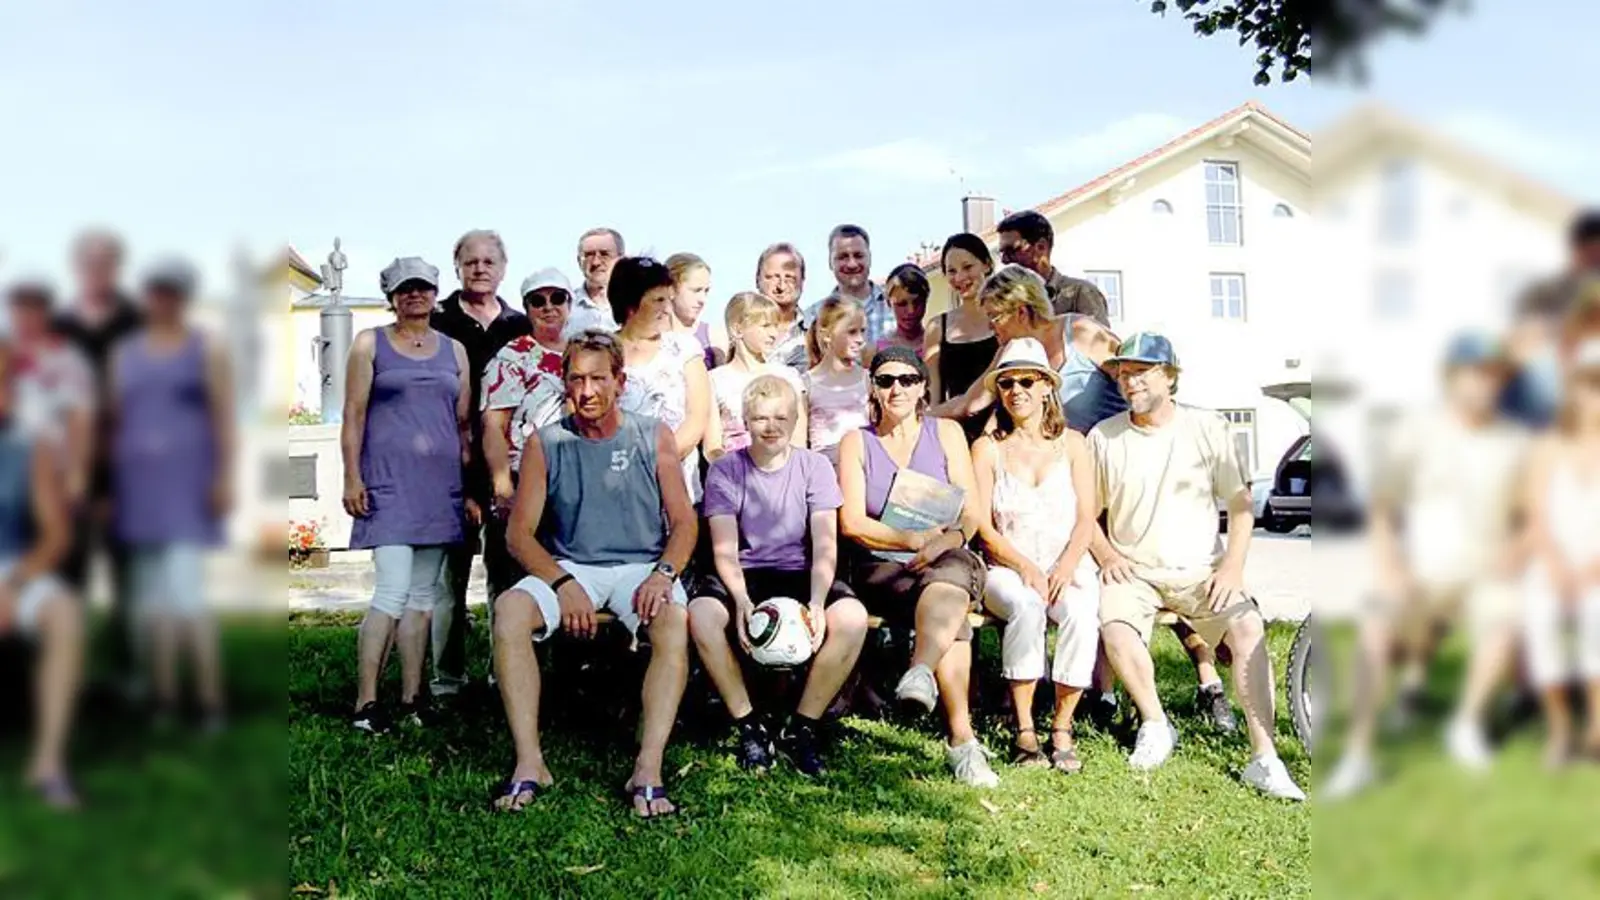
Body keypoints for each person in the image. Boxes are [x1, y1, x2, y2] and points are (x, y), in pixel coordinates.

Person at [1089, 332, 1304, 800]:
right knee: (1116, 627)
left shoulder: (1208, 428)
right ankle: (1154, 723)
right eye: (1123, 374)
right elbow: (1087, 516)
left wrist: (1231, 568)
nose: (1130, 383)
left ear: (1169, 376)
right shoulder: (1103, 437)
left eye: (1141, 372)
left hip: (1202, 571)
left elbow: (1242, 503)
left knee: (1248, 628)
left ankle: (1265, 758)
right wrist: (1107, 556)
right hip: (1136, 573)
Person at [491, 330, 697, 818]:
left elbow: (685, 521)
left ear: (620, 381)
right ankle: (529, 761)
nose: (587, 391)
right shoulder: (548, 442)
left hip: (640, 566)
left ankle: (648, 767)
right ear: (563, 382)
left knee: (671, 621)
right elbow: (519, 535)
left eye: (599, 378)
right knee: (508, 612)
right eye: (577, 379)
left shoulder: (652, 434)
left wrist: (664, 574)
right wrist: (564, 584)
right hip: (572, 565)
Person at [1324, 333, 1532, 797]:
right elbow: (1382, 505)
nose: (1485, 384)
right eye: (1475, 374)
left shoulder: (1514, 440)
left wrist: (1513, 555)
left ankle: (1466, 725)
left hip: (1484, 569)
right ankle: (1358, 755)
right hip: (1420, 568)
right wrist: (1390, 567)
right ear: (1453, 378)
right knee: (1377, 628)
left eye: (1493, 375)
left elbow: (1528, 513)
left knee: (1507, 617)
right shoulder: (1418, 431)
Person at [690, 375, 870, 775]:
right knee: (702, 615)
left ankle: (802, 727)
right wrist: (740, 602)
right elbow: (724, 549)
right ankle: (749, 725)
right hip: (745, 571)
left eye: (780, 417)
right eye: (760, 418)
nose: (770, 427)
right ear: (745, 420)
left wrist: (818, 604)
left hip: (801, 570)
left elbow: (825, 544)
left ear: (796, 418)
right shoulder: (725, 470)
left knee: (853, 619)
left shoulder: (815, 467)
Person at [836, 346, 999, 787]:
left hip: (946, 554)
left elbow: (970, 510)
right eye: (886, 380)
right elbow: (851, 521)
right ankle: (962, 741)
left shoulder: (946, 433)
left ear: (923, 386)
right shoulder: (857, 442)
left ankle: (921, 672)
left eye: (908, 380)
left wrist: (947, 539)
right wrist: (909, 541)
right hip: (884, 561)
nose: (897, 389)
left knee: (949, 583)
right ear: (873, 387)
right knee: (956, 619)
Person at [343, 257, 470, 733]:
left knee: (423, 597)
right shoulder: (368, 344)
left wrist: (469, 489)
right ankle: (366, 703)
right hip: (388, 485)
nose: (414, 295)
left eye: (422, 288)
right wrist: (352, 477)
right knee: (392, 591)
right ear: (390, 296)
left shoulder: (454, 351)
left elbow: (462, 426)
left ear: (436, 293)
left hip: (440, 490)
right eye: (404, 289)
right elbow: (353, 415)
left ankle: (414, 698)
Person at [111, 259, 236, 732]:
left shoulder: (206, 348)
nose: (163, 301)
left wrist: (224, 478)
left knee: (187, 597)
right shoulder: (126, 353)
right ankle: (163, 699)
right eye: (155, 293)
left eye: (172, 293)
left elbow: (224, 417)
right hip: (138, 491)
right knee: (150, 602)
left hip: (187, 489)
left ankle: (209, 701)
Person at [970, 338, 1099, 773]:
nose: (1016, 390)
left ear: (1047, 386)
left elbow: (1087, 517)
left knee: (1081, 611)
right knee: (1026, 606)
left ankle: (1062, 726)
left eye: (1027, 380)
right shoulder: (987, 448)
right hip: (1008, 564)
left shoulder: (1074, 444)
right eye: (1006, 383)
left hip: (1065, 561)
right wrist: (1025, 566)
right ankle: (1024, 729)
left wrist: (1064, 567)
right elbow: (983, 527)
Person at [429, 230, 529, 698]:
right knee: (449, 581)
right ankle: (447, 679)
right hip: (449, 465)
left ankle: (499, 671)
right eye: (471, 261)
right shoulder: (437, 320)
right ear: (457, 267)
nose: (480, 269)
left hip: (504, 471)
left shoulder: (519, 324)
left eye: (489, 261)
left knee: (504, 576)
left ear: (503, 268)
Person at [54, 229, 142, 690]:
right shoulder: (60, 324)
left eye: (105, 261)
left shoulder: (134, 322)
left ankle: (128, 669)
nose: (97, 269)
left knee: (127, 576)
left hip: (123, 473)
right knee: (68, 574)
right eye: (90, 261)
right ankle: (67, 671)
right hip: (67, 472)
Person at [0, 339, 83, 809]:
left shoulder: (31, 449)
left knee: (65, 612)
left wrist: (12, 585)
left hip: (13, 568)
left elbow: (55, 536)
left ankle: (47, 765)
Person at [1519, 337, 1600, 767]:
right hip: (1552, 562)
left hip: (1596, 567)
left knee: (1596, 616)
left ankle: (1596, 730)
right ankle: (1560, 728)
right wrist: (1554, 564)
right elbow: (1535, 514)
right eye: (1589, 388)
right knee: (1541, 614)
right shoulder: (1549, 447)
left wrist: (1590, 570)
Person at [482, 268, 573, 600]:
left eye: (557, 298)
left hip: (576, 480)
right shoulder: (512, 357)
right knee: (521, 581)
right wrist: (502, 483)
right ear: (527, 307)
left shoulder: (584, 350)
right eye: (538, 300)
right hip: (525, 478)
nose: (549, 307)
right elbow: (494, 424)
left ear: (570, 303)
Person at [612, 257, 712, 507]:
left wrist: (657, 463)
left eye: (669, 298)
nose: (667, 308)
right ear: (630, 303)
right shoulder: (602, 350)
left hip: (675, 490)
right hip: (614, 490)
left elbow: (697, 417)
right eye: (658, 300)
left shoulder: (685, 348)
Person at [3, 280, 94, 506]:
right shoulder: (3, 353)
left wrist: (76, 475)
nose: (27, 314)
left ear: (47, 311)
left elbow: (80, 418)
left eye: (35, 306)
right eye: (20, 306)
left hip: (52, 469)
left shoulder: (68, 358)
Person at [705, 292, 806, 460]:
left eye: (775, 326)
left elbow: (798, 440)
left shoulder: (788, 376)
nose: (774, 334)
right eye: (766, 326)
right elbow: (712, 446)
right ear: (738, 329)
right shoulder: (715, 380)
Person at [923, 234, 998, 439]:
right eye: (951, 271)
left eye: (967, 267)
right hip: (955, 433)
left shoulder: (1004, 319)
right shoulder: (937, 327)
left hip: (1001, 432)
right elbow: (933, 396)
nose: (959, 277)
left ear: (987, 265)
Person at [996, 210, 1109, 325]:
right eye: (1001, 253)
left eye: (1011, 251)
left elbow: (1100, 341)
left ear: (1041, 247)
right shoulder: (1003, 299)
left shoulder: (1080, 294)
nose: (1004, 260)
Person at [804, 296, 870, 466]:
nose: (860, 339)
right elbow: (799, 444)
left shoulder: (868, 380)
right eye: (852, 332)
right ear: (827, 335)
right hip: (824, 472)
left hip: (863, 468)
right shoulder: (807, 384)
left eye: (863, 331)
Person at [810, 225, 894, 346]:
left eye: (858, 255)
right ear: (830, 262)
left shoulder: (896, 307)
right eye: (843, 257)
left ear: (869, 258)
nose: (852, 264)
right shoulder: (814, 317)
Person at [755, 243, 811, 371]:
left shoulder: (817, 335)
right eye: (772, 277)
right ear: (757, 280)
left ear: (802, 281)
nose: (781, 286)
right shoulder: (738, 334)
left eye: (789, 278)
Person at [665, 253, 722, 371]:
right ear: (671, 289)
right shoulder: (651, 336)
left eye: (706, 291)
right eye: (696, 290)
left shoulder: (713, 337)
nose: (702, 300)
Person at [565, 228, 626, 337]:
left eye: (604, 254)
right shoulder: (565, 308)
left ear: (621, 260)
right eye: (589, 255)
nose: (596, 262)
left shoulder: (636, 306)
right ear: (579, 262)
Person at [872, 263, 930, 364]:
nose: (911, 310)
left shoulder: (938, 343)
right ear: (889, 303)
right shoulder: (877, 350)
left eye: (917, 302)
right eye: (901, 304)